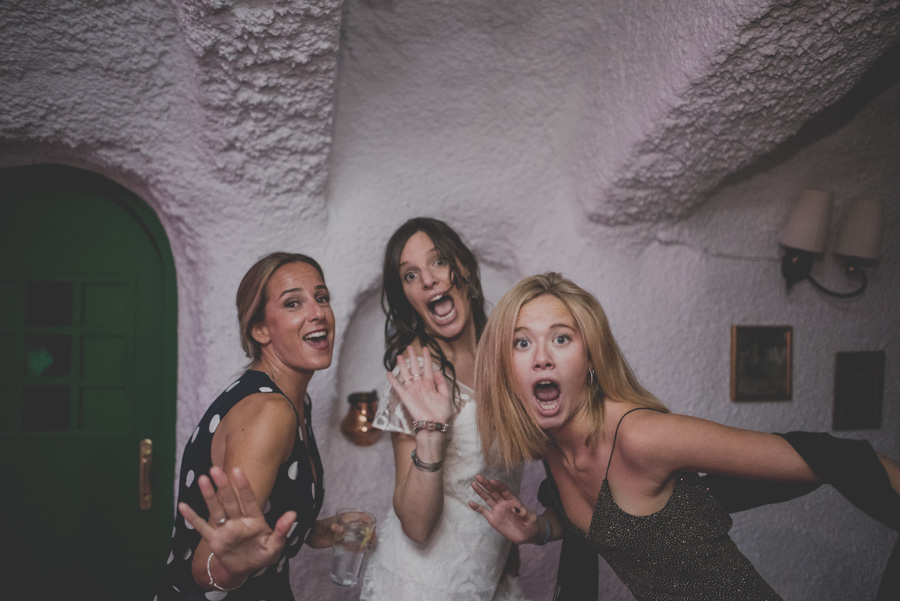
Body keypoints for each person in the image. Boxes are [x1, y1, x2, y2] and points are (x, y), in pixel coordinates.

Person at [469, 272, 900, 601]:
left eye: (560, 338)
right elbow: (602, 517)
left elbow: (838, 458)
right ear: (506, 368)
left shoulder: (642, 437)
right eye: (521, 343)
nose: (541, 358)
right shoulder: (552, 443)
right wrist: (539, 529)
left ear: (592, 358)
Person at [155, 252, 342, 601]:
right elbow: (206, 566)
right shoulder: (270, 411)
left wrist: (316, 531)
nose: (317, 312)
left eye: (321, 298)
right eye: (292, 303)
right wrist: (230, 563)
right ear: (259, 329)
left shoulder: (293, 400)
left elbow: (260, 520)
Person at [359, 217, 527, 601]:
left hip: (489, 578)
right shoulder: (416, 374)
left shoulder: (502, 357)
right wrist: (430, 432)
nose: (428, 280)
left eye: (438, 262)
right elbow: (417, 526)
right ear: (405, 297)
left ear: (463, 268)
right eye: (410, 275)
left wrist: (508, 548)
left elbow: (494, 469)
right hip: (423, 584)